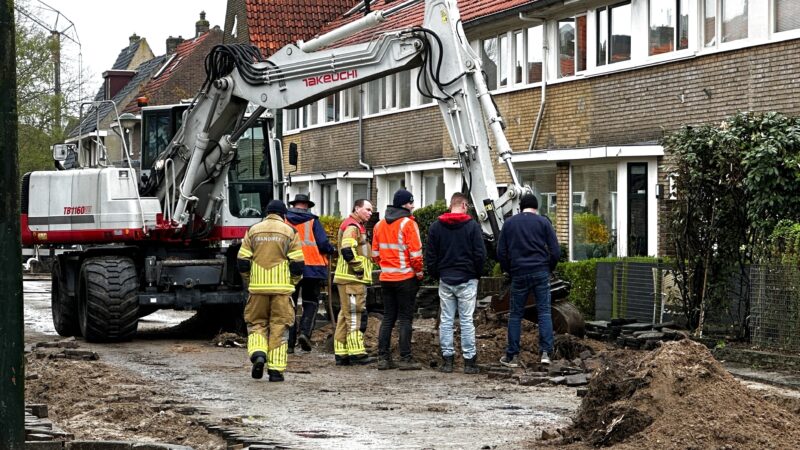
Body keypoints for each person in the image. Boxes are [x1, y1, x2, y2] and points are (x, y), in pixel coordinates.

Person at [237, 200, 305, 382]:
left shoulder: (253, 230)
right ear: (284, 215)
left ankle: (258, 354)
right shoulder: (290, 232)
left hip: (257, 289)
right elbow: (298, 265)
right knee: (279, 328)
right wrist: (292, 282)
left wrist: (251, 280)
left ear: (267, 213)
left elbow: (242, 261)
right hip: (282, 290)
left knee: (256, 324)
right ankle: (275, 371)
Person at [425, 192, 486, 374]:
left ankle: (448, 361)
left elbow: (431, 255)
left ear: (451, 205)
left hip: (446, 279)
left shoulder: (436, 227)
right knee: (467, 321)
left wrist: (438, 274)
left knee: (446, 320)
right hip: (467, 279)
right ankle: (469, 362)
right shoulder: (472, 226)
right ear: (465, 206)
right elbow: (480, 254)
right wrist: (476, 273)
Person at [497, 194, 560, 368]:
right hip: (540, 272)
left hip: (519, 273)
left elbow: (501, 252)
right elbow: (555, 251)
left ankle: (512, 356)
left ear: (520, 207)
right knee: (544, 313)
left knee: (516, 314)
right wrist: (548, 268)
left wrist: (509, 270)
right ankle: (546, 353)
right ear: (536, 208)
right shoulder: (544, 223)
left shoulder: (509, 223)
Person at [373, 189, 423, 370]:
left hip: (386, 278)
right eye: (411, 203)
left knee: (388, 318)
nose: (413, 206)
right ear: (404, 204)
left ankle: (383, 358)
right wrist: (418, 273)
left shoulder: (379, 225)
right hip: (405, 277)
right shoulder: (408, 224)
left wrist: (387, 267)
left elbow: (375, 254)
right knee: (405, 319)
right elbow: (416, 255)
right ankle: (405, 358)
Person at [285, 193, 335, 353]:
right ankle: (305, 333)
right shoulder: (313, 220)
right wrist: (331, 249)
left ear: (294, 205)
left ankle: (289, 344)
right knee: (311, 302)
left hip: (291, 267)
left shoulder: (284, 220)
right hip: (312, 267)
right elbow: (322, 243)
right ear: (306, 206)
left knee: (289, 305)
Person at [332, 199, 378, 366]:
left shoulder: (354, 225)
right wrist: (359, 269)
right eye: (367, 209)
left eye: (371, 210)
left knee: (345, 316)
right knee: (354, 315)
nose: (370, 213)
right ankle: (356, 352)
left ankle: (341, 352)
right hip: (352, 279)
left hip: (347, 278)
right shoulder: (353, 227)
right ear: (357, 209)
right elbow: (347, 250)